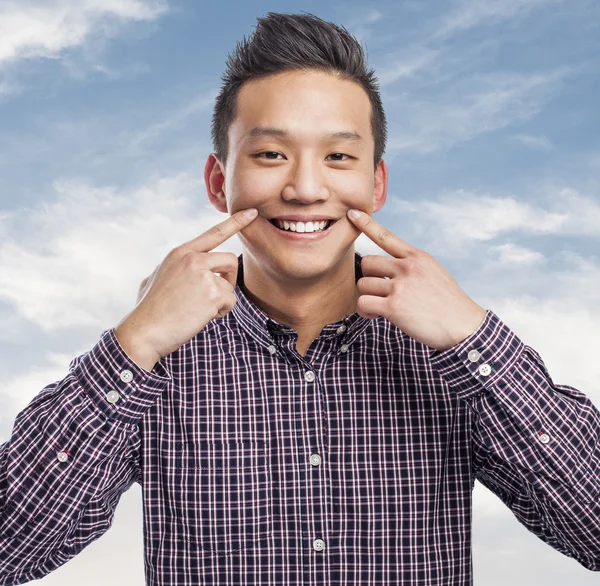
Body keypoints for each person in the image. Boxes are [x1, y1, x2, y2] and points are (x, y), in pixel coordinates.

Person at [1, 11, 599, 586]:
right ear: (219, 181)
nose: (307, 188)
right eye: (270, 154)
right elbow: (11, 547)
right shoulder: (160, 359)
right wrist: (133, 345)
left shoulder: (452, 357)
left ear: (376, 183)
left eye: (339, 156)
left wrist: (474, 342)